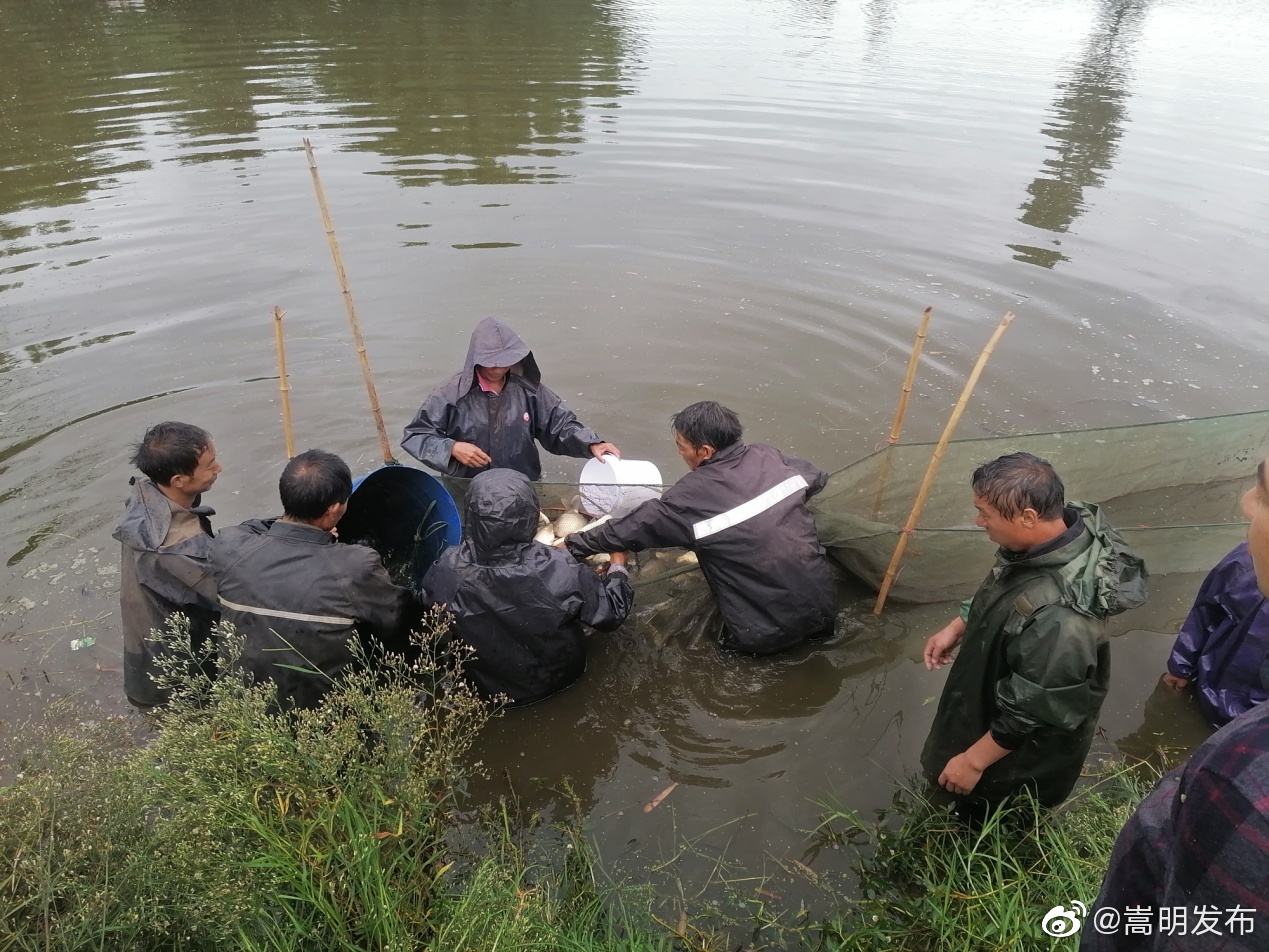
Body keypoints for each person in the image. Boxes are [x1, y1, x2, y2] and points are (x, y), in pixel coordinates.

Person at [1082, 459, 1269, 952]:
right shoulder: (1241, 562)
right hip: (1208, 685)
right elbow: (1202, 614)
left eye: (1264, 494)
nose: (1246, 502)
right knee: (1166, 740)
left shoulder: (1245, 790)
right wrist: (1180, 667)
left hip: (1243, 714)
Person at [921, 452, 1148, 810]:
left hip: (1021, 755)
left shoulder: (1062, 618)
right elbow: (1004, 579)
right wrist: (961, 623)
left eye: (985, 514)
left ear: (1028, 517)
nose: (978, 522)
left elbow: (1034, 710)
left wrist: (973, 761)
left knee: (989, 814)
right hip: (1001, 694)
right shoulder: (1053, 535)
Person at [565, 401, 835, 655]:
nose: (679, 452)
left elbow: (630, 528)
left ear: (705, 451)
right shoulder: (767, 455)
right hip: (823, 611)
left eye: (681, 446)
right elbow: (816, 479)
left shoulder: (689, 496)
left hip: (761, 636)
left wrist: (572, 545)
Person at [211, 449, 415, 710]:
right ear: (334, 508)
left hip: (247, 706)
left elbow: (247, 527)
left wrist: (300, 525)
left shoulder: (229, 548)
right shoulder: (355, 565)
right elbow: (397, 617)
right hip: (321, 713)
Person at [421, 468, 633, 704]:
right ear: (531, 515)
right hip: (561, 679)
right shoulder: (560, 566)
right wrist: (617, 566)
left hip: (487, 691)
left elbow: (428, 623)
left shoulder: (446, 569)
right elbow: (611, 614)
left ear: (471, 515)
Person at [401, 317, 619, 479]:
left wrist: (591, 444)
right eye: (490, 361)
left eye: (504, 360)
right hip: (468, 488)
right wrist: (452, 448)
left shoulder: (529, 390)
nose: (497, 367)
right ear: (475, 358)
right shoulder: (449, 394)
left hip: (521, 485)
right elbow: (416, 435)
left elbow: (559, 425)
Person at [114, 421, 222, 709]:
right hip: (171, 675)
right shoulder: (178, 548)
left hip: (142, 648)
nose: (218, 469)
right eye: (210, 465)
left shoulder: (147, 493)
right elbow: (228, 596)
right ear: (179, 480)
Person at [1161, 541, 1269, 729]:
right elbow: (1207, 612)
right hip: (1209, 690)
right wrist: (1181, 667)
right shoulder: (1249, 557)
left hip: (1257, 727)